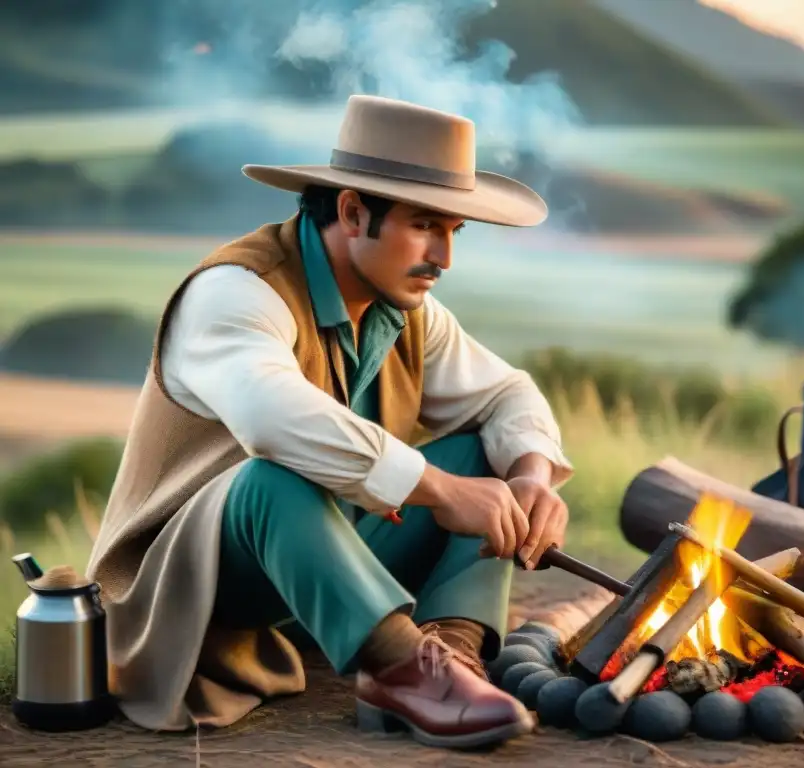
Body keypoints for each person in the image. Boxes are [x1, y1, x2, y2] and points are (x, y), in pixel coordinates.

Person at [85, 95, 575, 750]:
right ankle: (399, 666)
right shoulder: (236, 289)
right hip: (193, 589)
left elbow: (507, 394)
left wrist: (531, 477)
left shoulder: (404, 311)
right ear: (351, 212)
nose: (444, 257)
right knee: (271, 479)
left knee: (489, 458)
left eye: (455, 231)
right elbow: (272, 418)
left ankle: (448, 652)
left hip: (323, 572)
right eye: (426, 225)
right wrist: (439, 489)